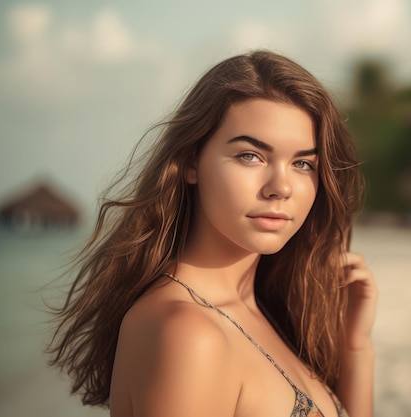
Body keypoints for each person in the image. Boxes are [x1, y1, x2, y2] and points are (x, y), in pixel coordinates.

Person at [47, 50, 377, 417]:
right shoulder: (187, 334)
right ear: (191, 162)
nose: (280, 187)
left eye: (302, 163)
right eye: (250, 156)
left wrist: (355, 347)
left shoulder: (261, 312)